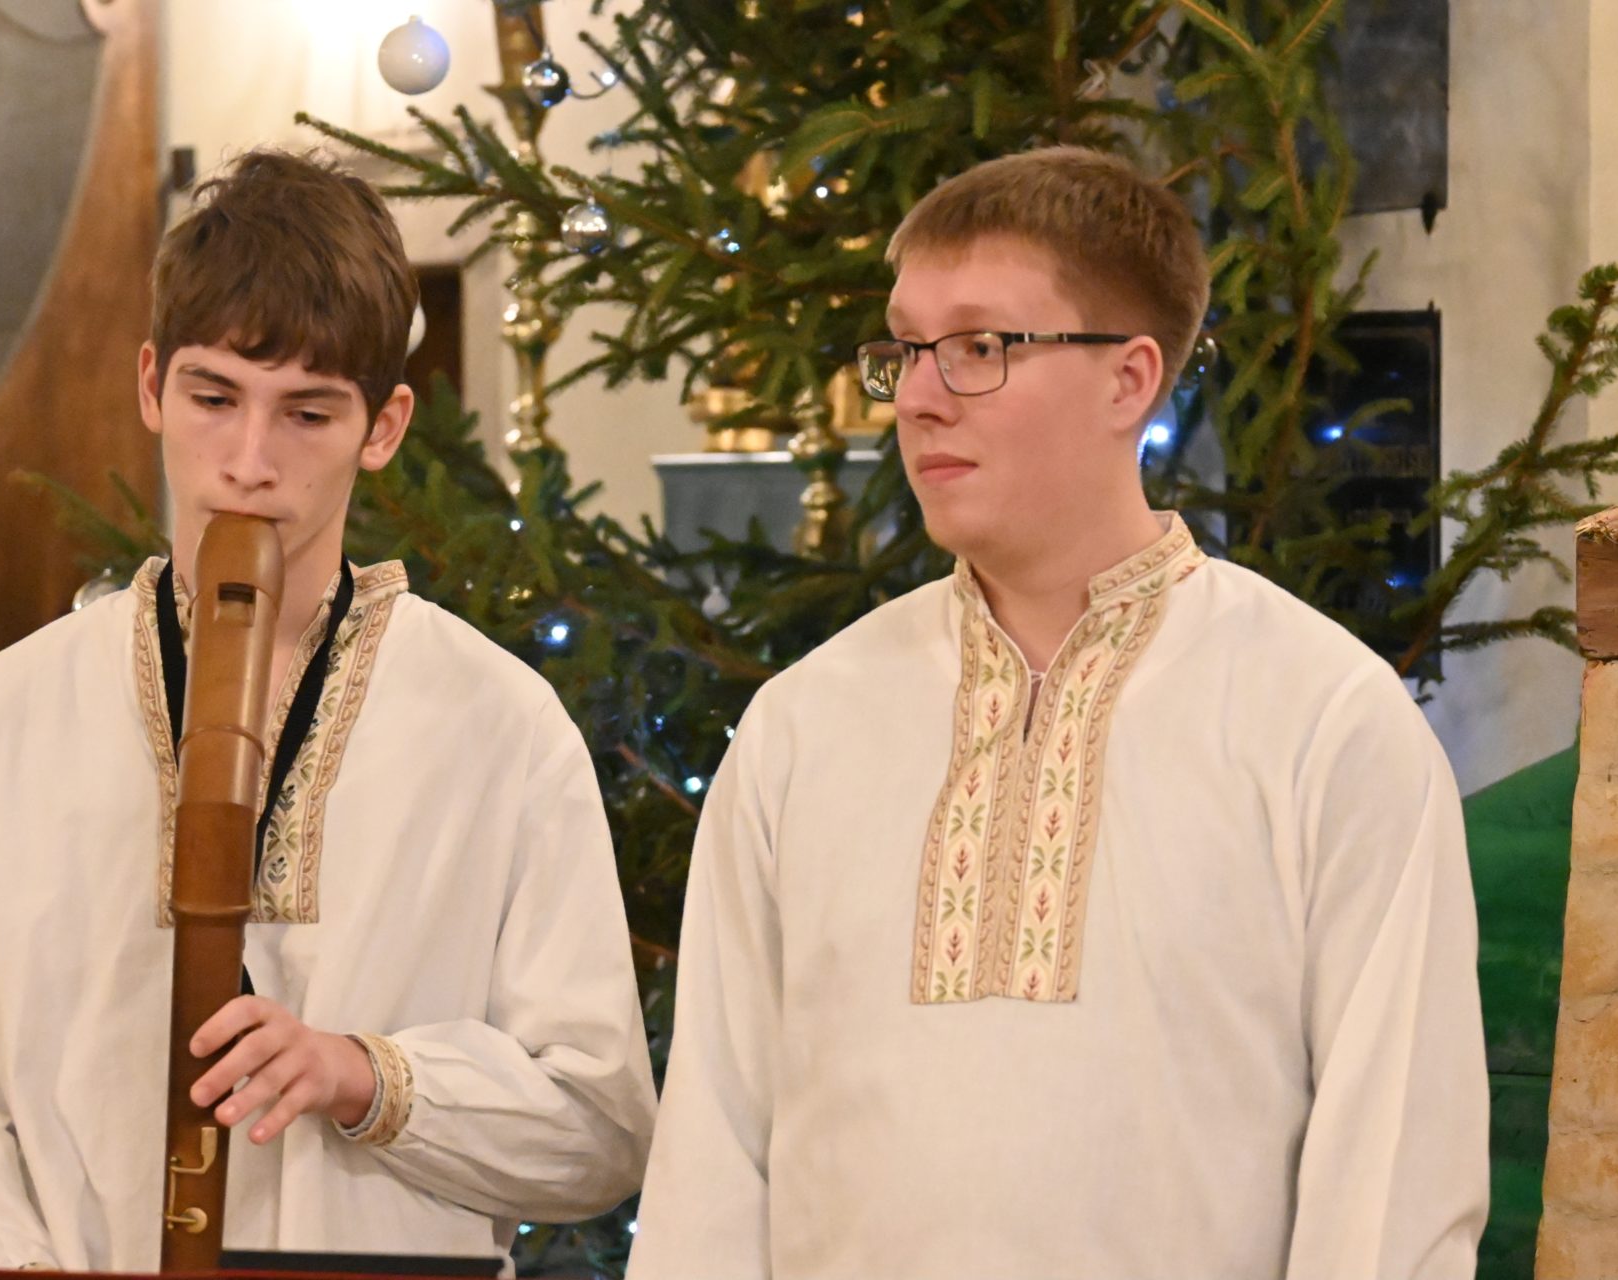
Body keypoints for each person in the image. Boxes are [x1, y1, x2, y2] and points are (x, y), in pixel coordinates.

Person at [628, 145, 1488, 1280]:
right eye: (905, 348)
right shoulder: (803, 726)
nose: (919, 396)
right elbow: (711, 1160)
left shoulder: (1322, 719)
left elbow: (1392, 1183)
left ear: (1129, 380)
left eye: (980, 346)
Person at [0, 149, 656, 1272]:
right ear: (151, 385)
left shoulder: (501, 726)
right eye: (213, 398)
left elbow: (597, 1127)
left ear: (385, 426)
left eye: (308, 413)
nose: (249, 462)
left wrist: (365, 1076)